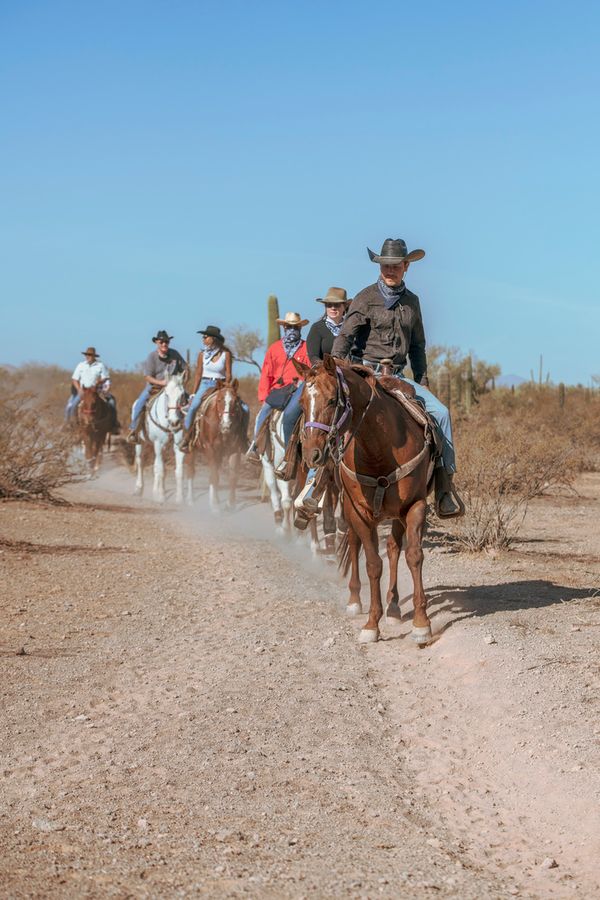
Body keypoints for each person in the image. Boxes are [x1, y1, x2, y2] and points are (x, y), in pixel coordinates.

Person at [331, 238, 463, 517]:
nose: (390, 270)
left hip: (400, 374)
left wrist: (423, 380)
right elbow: (345, 336)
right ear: (380, 266)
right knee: (332, 418)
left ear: (406, 267)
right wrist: (337, 372)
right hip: (367, 372)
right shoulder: (365, 298)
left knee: (441, 413)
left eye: (396, 265)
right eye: (385, 265)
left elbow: (417, 345)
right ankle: (319, 485)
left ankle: (444, 488)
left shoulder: (412, 302)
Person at [246, 311, 311, 462]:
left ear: (300, 329)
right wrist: (263, 396)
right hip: (277, 391)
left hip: (298, 389)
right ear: (284, 328)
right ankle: (256, 446)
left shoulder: (306, 348)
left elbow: (310, 370)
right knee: (263, 412)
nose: (292, 331)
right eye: (289, 327)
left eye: (295, 328)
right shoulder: (274, 349)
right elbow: (266, 374)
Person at [180, 325, 249, 452]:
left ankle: (243, 438)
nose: (203, 339)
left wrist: (225, 386)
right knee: (193, 408)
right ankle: (187, 438)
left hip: (222, 385)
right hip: (205, 384)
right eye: (203, 337)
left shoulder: (225, 354)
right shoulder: (202, 355)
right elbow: (198, 374)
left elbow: (228, 373)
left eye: (206, 337)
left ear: (214, 339)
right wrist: (194, 393)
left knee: (245, 408)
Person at [127, 330, 187, 443]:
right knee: (139, 404)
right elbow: (147, 377)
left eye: (166, 342)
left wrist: (182, 380)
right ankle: (134, 430)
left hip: (173, 387)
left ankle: (190, 432)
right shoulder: (152, 357)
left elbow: (185, 368)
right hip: (154, 387)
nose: (164, 344)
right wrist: (161, 383)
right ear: (157, 343)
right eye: (162, 342)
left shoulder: (175, 354)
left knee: (189, 402)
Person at [65, 346, 119, 432]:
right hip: (84, 391)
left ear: (94, 356)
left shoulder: (100, 365)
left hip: (97, 391)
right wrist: (79, 389)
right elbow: (75, 379)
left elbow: (106, 378)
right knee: (71, 405)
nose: (88, 356)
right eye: (87, 355)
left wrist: (100, 383)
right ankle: (70, 424)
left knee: (112, 403)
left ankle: (114, 425)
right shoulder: (81, 365)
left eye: (90, 355)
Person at [306, 286, 351, 364]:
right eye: (329, 305)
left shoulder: (351, 327)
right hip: (326, 371)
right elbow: (313, 356)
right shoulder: (317, 328)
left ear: (344, 307)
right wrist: (327, 367)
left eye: (337, 305)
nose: (333, 308)